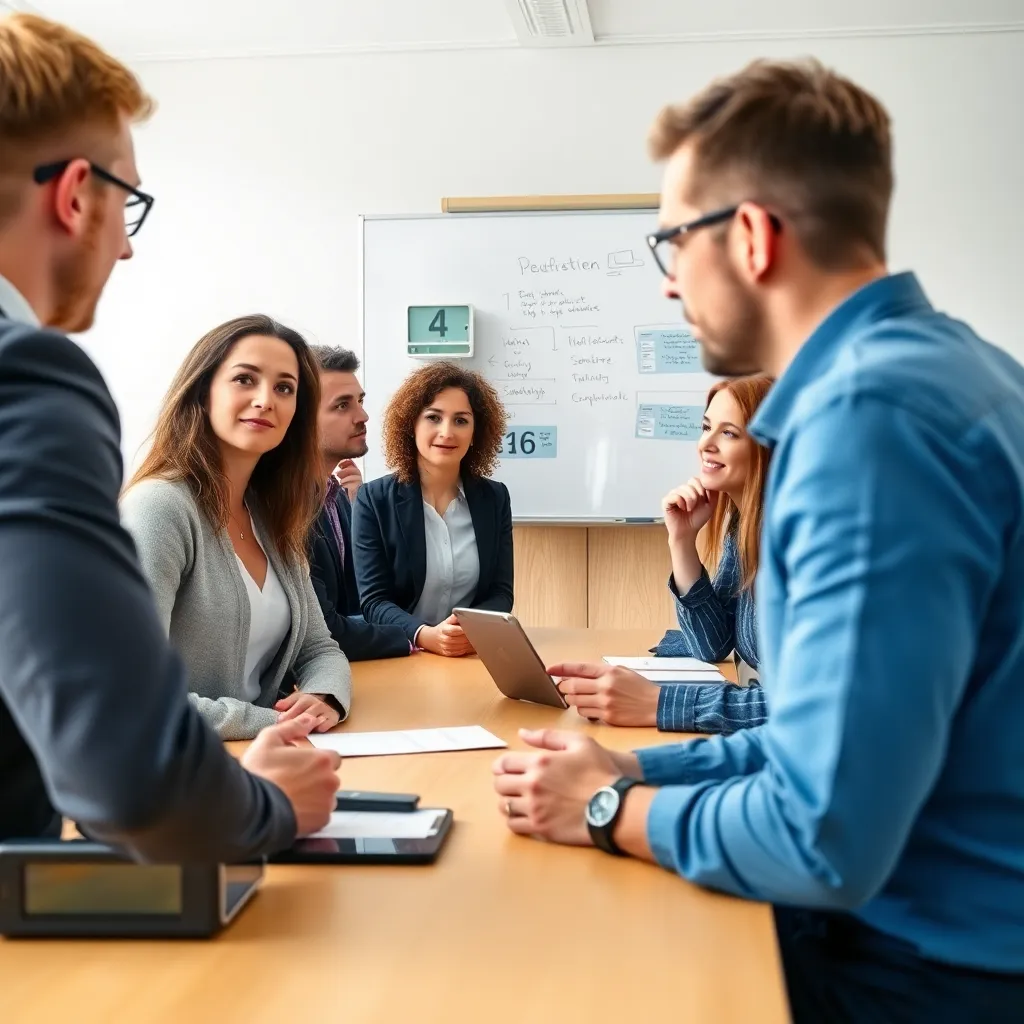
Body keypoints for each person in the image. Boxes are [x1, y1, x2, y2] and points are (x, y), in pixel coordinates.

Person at [492, 58, 1024, 1021]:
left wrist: (609, 809)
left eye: (669, 245)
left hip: (922, 968)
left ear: (749, 235)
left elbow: (821, 834)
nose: (666, 288)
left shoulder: (869, 420)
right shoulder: (962, 369)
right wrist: (637, 768)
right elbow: (815, 744)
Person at [0, 13, 340, 858]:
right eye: (129, 205)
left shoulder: (273, 513)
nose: (124, 248)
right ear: (75, 195)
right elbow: (128, 765)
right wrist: (266, 804)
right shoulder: (28, 381)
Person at [121, 316, 352, 741]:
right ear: (203, 392)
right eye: (245, 379)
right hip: (172, 773)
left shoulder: (273, 514)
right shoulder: (159, 507)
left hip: (254, 759)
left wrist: (325, 697)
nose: (266, 400)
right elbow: (132, 691)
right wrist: (276, 722)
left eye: (285, 388)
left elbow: (320, 648)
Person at [557, 375, 772, 733]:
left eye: (729, 433)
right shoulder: (746, 527)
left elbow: (806, 710)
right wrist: (682, 540)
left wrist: (659, 703)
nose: (706, 444)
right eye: (706, 427)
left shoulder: (794, 543)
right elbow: (711, 645)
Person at [352, 362, 513, 657]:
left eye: (461, 420)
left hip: (471, 654)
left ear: (476, 431)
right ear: (411, 426)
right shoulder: (373, 499)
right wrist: (425, 635)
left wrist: (468, 631)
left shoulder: (495, 498)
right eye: (433, 417)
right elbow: (374, 601)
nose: (447, 432)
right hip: (402, 653)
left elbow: (501, 593)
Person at [308, 344, 411, 661]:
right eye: (342, 406)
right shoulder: (282, 509)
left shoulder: (337, 497)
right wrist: (412, 637)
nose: (363, 416)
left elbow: (366, 599)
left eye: (360, 401)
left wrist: (360, 510)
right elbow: (325, 629)